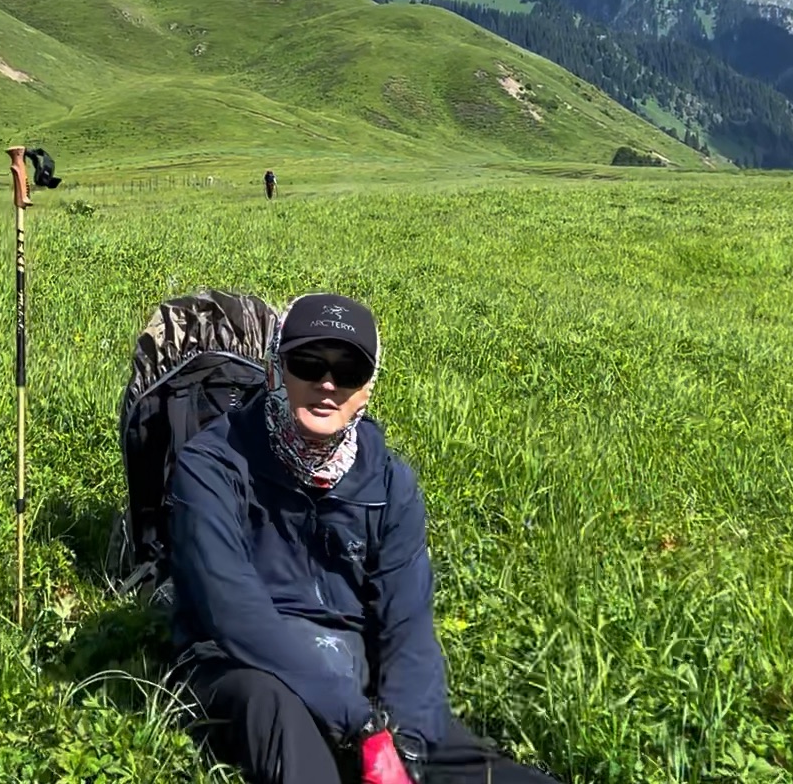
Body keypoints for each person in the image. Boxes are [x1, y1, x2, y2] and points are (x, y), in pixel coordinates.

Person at [166, 294, 563, 784]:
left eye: (348, 369)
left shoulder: (391, 482)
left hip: (361, 681)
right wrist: (362, 726)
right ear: (275, 370)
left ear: (368, 388)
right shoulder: (211, 466)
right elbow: (232, 614)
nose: (327, 384)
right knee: (281, 720)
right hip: (245, 670)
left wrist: (408, 745)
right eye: (307, 362)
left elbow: (408, 627)